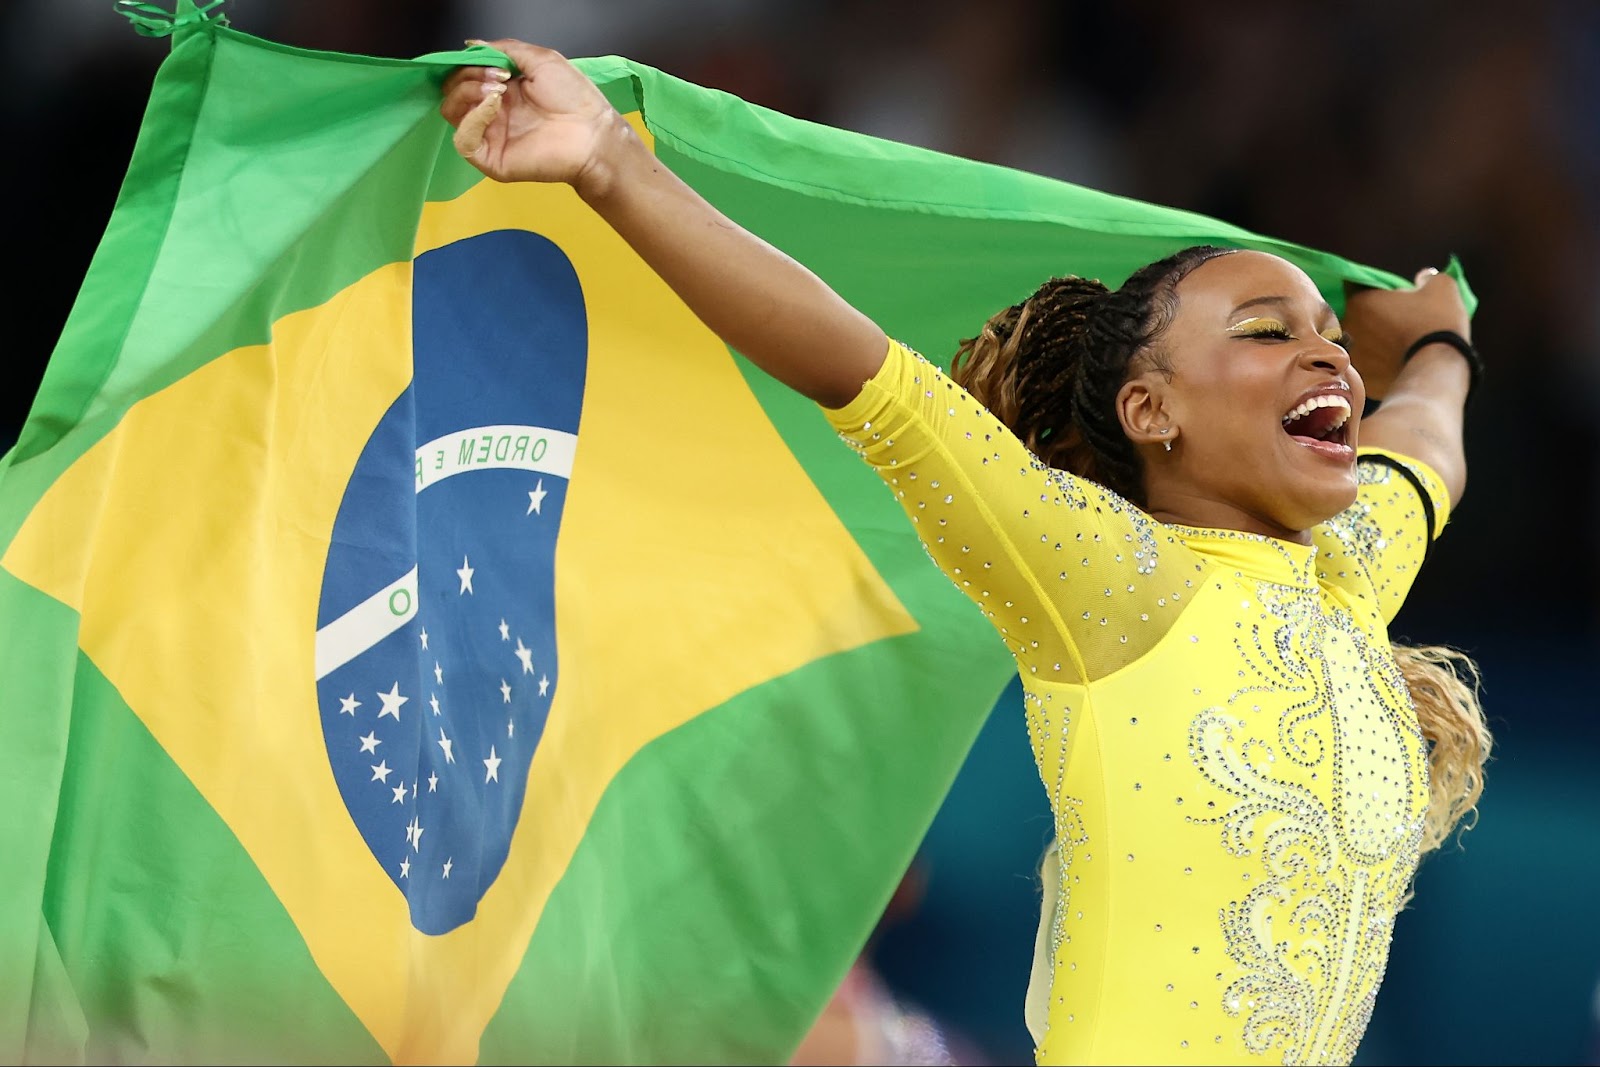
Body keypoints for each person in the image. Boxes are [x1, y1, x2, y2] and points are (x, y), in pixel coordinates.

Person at [438, 41, 1493, 1066]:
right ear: (1150, 407)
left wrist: (1436, 342)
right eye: (1267, 330)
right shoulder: (1116, 580)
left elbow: (1425, 450)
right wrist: (607, 163)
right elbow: (860, 369)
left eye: (1332, 340)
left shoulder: (1350, 572)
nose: (1327, 356)